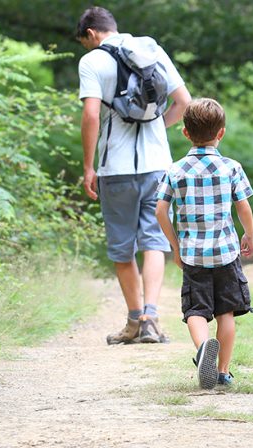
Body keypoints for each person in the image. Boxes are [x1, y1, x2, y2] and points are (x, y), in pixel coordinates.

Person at [76, 6, 192, 345]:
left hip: (116, 169)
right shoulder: (150, 49)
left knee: (122, 248)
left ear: (92, 34)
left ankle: (132, 321)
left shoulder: (92, 61)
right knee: (154, 241)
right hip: (158, 165)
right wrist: (157, 126)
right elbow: (184, 101)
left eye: (86, 42)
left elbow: (91, 115)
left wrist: (88, 166)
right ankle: (151, 319)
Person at [156, 98, 253, 390]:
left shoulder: (175, 170)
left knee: (196, 311)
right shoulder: (231, 167)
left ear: (185, 133)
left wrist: (175, 246)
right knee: (226, 312)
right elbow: (243, 207)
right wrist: (248, 234)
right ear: (221, 133)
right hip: (225, 252)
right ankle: (222, 371)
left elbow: (160, 211)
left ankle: (203, 350)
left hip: (192, 255)